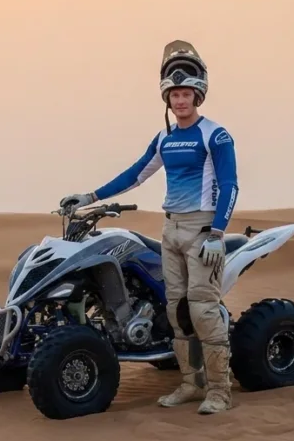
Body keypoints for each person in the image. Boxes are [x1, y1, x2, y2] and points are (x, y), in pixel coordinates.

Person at [58, 40, 239, 415]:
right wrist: (88, 195)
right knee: (177, 311)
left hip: (202, 229)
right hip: (170, 229)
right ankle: (190, 383)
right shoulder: (165, 139)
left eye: (186, 93)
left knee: (203, 309)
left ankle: (220, 390)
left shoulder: (215, 135)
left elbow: (230, 185)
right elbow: (135, 175)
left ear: (198, 95)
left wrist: (218, 233)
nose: (180, 100)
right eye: (174, 94)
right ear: (167, 98)